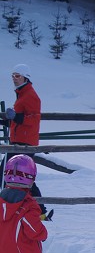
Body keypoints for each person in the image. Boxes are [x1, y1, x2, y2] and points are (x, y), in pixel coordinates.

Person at [0, 64, 49, 219]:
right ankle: (38, 211)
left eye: (17, 76)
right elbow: (20, 118)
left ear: (26, 77)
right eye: (13, 75)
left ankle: (39, 211)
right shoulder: (22, 94)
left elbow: (34, 119)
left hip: (25, 143)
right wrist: (8, 120)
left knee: (18, 176)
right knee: (12, 175)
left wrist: (16, 117)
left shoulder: (31, 96)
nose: (14, 79)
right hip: (18, 141)